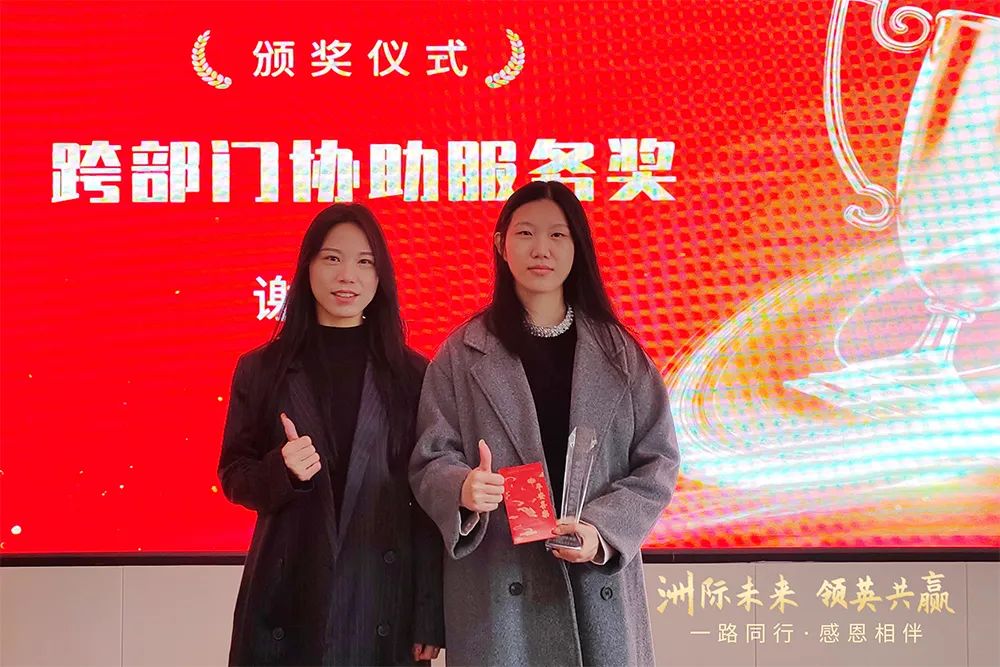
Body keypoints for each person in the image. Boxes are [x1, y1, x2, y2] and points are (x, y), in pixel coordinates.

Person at [409, 180, 680, 665]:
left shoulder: (620, 355)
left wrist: (602, 531)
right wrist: (462, 488)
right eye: (526, 233)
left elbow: (657, 462)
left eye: (558, 235)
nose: (541, 249)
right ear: (501, 244)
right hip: (500, 589)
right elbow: (431, 458)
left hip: (596, 586)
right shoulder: (461, 354)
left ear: (577, 246)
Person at [219, 203, 443, 666]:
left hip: (382, 597)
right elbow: (234, 475)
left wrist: (428, 613)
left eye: (364, 262)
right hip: (287, 595)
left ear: (381, 277)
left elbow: (425, 499)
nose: (347, 276)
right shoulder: (262, 369)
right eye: (332, 258)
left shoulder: (412, 375)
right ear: (308, 267)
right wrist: (281, 471)